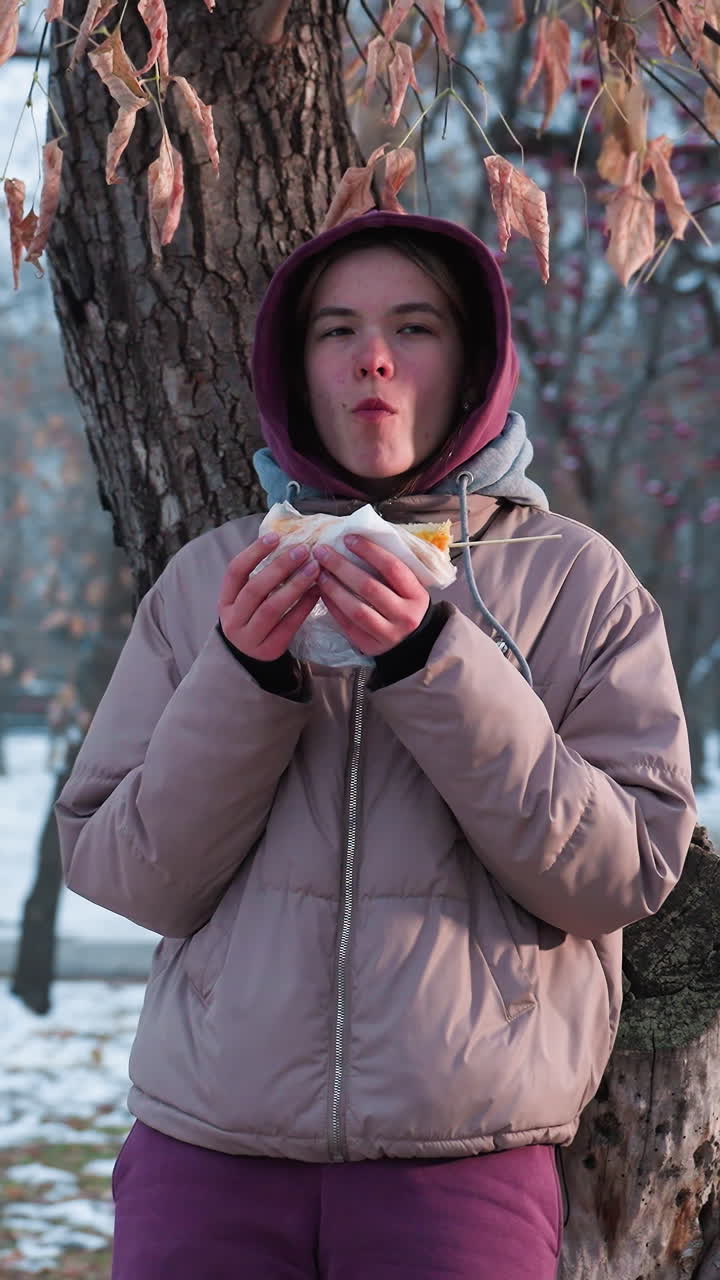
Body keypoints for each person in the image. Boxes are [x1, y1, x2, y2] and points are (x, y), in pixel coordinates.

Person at [55, 208, 696, 1280]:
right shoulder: (212, 576)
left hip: (461, 1165)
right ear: (294, 369)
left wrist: (433, 660)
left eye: (416, 325)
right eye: (335, 330)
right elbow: (128, 873)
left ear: (476, 361)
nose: (375, 358)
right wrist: (247, 675)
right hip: (206, 1154)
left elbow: (622, 871)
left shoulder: (577, 581)